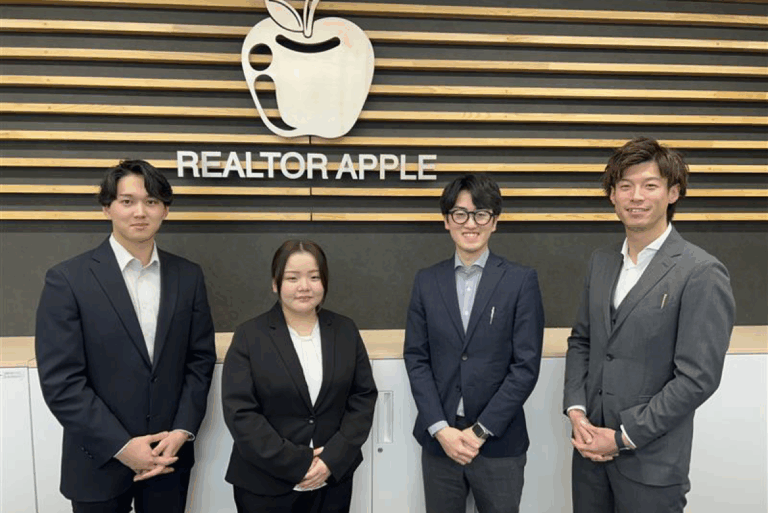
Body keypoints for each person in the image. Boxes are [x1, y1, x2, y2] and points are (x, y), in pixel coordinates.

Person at [563, 137, 736, 512]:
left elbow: (697, 378)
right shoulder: (601, 261)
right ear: (613, 196)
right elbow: (582, 341)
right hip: (589, 458)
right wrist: (576, 411)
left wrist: (622, 437)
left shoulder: (701, 271)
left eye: (650, 185)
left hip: (652, 466)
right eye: (625, 186)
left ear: (673, 193)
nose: (636, 197)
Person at [35, 160, 217, 512]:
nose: (140, 212)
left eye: (151, 202)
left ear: (165, 210)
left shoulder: (188, 276)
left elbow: (199, 361)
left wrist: (182, 430)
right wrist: (122, 446)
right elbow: (62, 381)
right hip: (97, 460)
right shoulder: (67, 280)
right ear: (107, 208)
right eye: (127, 201)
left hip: (168, 456)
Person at [403, 174, 545, 513]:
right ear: (446, 221)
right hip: (440, 442)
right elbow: (416, 358)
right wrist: (441, 429)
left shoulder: (520, 281)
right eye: (460, 214)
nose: (470, 223)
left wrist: (480, 431)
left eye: (481, 214)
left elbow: (525, 367)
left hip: (499, 442)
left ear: (494, 221)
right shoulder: (426, 281)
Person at [222, 240, 378, 513]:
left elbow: (362, 398)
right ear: (275, 283)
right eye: (292, 278)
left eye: (314, 277)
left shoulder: (345, 330)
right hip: (265, 485)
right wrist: (298, 463)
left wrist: (330, 460)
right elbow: (240, 413)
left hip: (332, 482)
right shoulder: (249, 335)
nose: (304, 287)